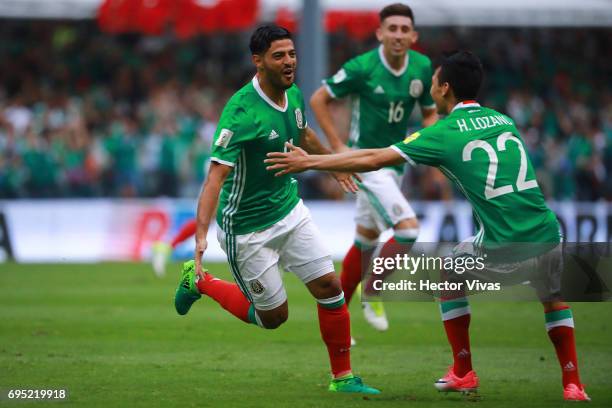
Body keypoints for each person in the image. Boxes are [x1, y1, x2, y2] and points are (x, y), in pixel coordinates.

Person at [265, 50, 590, 402]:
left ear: (444, 88)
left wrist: (311, 161)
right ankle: (573, 384)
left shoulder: (443, 133)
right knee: (553, 298)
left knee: (450, 273)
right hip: (548, 231)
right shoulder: (503, 120)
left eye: (435, 81)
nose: (431, 87)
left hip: (505, 243)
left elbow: (373, 158)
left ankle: (463, 371)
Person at [173, 24, 379, 395]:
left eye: (292, 54)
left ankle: (343, 378)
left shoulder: (294, 94)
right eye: (279, 56)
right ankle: (199, 281)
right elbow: (214, 179)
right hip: (247, 229)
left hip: (289, 210)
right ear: (258, 61)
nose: (289, 62)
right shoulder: (240, 113)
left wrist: (335, 164)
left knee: (329, 286)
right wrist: (201, 237)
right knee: (273, 318)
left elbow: (303, 136)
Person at [310, 3, 437, 332]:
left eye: (403, 29)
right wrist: (339, 148)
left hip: (395, 162)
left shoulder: (422, 67)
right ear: (380, 33)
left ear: (413, 36)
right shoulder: (363, 67)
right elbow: (318, 99)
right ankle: (373, 290)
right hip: (365, 161)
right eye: (391, 28)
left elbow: (429, 114)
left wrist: (429, 145)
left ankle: (339, 319)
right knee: (408, 230)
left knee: (366, 240)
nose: (397, 35)